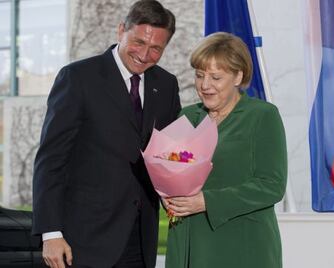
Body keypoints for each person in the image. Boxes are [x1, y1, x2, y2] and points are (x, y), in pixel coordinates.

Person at [32, 1, 181, 267]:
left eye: (156, 48)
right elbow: (51, 160)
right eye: (138, 42)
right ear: (121, 30)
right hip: (83, 240)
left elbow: (169, 154)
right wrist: (50, 233)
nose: (145, 55)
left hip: (141, 238)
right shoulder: (78, 77)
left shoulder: (167, 85)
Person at [164, 32, 287, 268]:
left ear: (238, 76)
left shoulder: (263, 116)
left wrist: (207, 201)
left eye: (215, 77)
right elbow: (169, 173)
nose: (205, 85)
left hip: (242, 245)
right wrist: (168, 197)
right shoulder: (187, 117)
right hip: (189, 241)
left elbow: (271, 186)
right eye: (200, 75)